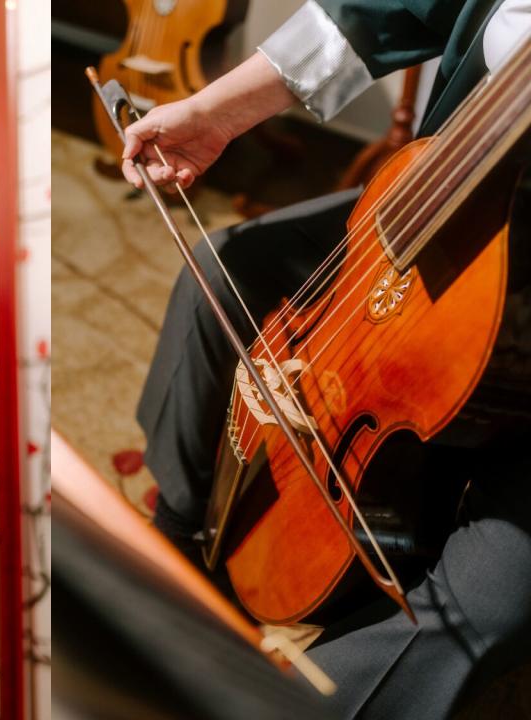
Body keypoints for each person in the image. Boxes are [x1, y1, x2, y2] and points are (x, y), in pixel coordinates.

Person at [125, 1, 531, 717]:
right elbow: (394, 6)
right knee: (222, 272)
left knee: (483, 605)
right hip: (442, 194)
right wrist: (219, 112)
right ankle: (182, 544)